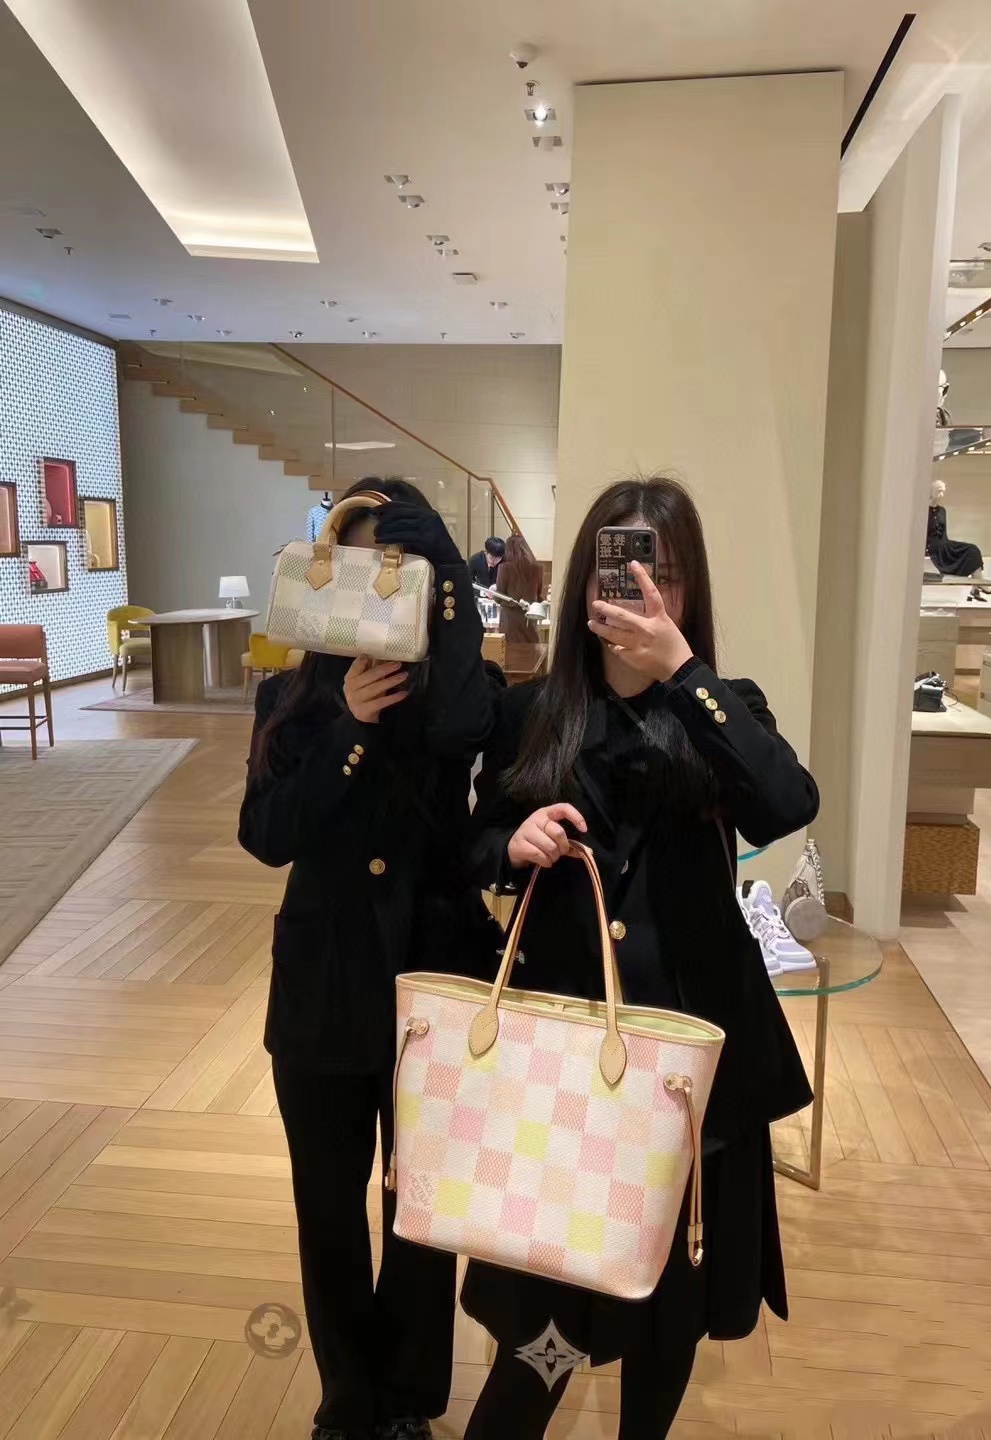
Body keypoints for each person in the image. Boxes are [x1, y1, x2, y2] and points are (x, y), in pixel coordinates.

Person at [460, 476, 818, 1440]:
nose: (640, 590)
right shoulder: (529, 713)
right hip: (565, 1060)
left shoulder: (723, 705)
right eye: (618, 569)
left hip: (687, 1066)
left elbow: (787, 805)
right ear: (586, 583)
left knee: (668, 1312)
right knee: (542, 1324)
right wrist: (511, 843)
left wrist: (683, 672)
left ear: (690, 590)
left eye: (664, 573)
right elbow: (473, 844)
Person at [239, 477, 501, 1440]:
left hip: (430, 981)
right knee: (328, 1206)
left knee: (421, 1208)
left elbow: (468, 732)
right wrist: (347, 727)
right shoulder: (288, 697)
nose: (369, 583)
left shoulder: (450, 696)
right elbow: (268, 836)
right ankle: (347, 1404)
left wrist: (453, 586)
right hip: (321, 989)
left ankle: (408, 1400)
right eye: (352, 561)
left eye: (394, 563)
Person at [494, 531, 544, 643]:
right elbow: (538, 595)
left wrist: (493, 592)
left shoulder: (505, 568)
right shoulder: (537, 568)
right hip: (530, 618)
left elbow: (498, 597)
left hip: (510, 620)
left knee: (510, 651)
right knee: (530, 650)